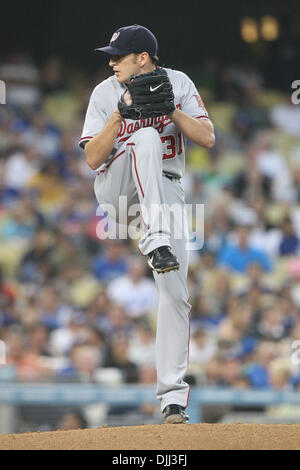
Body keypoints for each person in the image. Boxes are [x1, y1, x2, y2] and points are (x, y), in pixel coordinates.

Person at [79, 24, 215, 423]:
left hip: (166, 190)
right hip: (117, 188)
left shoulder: (179, 83)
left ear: (143, 57)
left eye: (118, 56)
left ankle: (172, 399)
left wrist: (169, 109)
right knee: (145, 140)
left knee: (176, 293)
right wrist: (121, 114)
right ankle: (153, 236)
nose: (111, 61)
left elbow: (207, 137)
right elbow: (92, 159)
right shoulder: (105, 92)